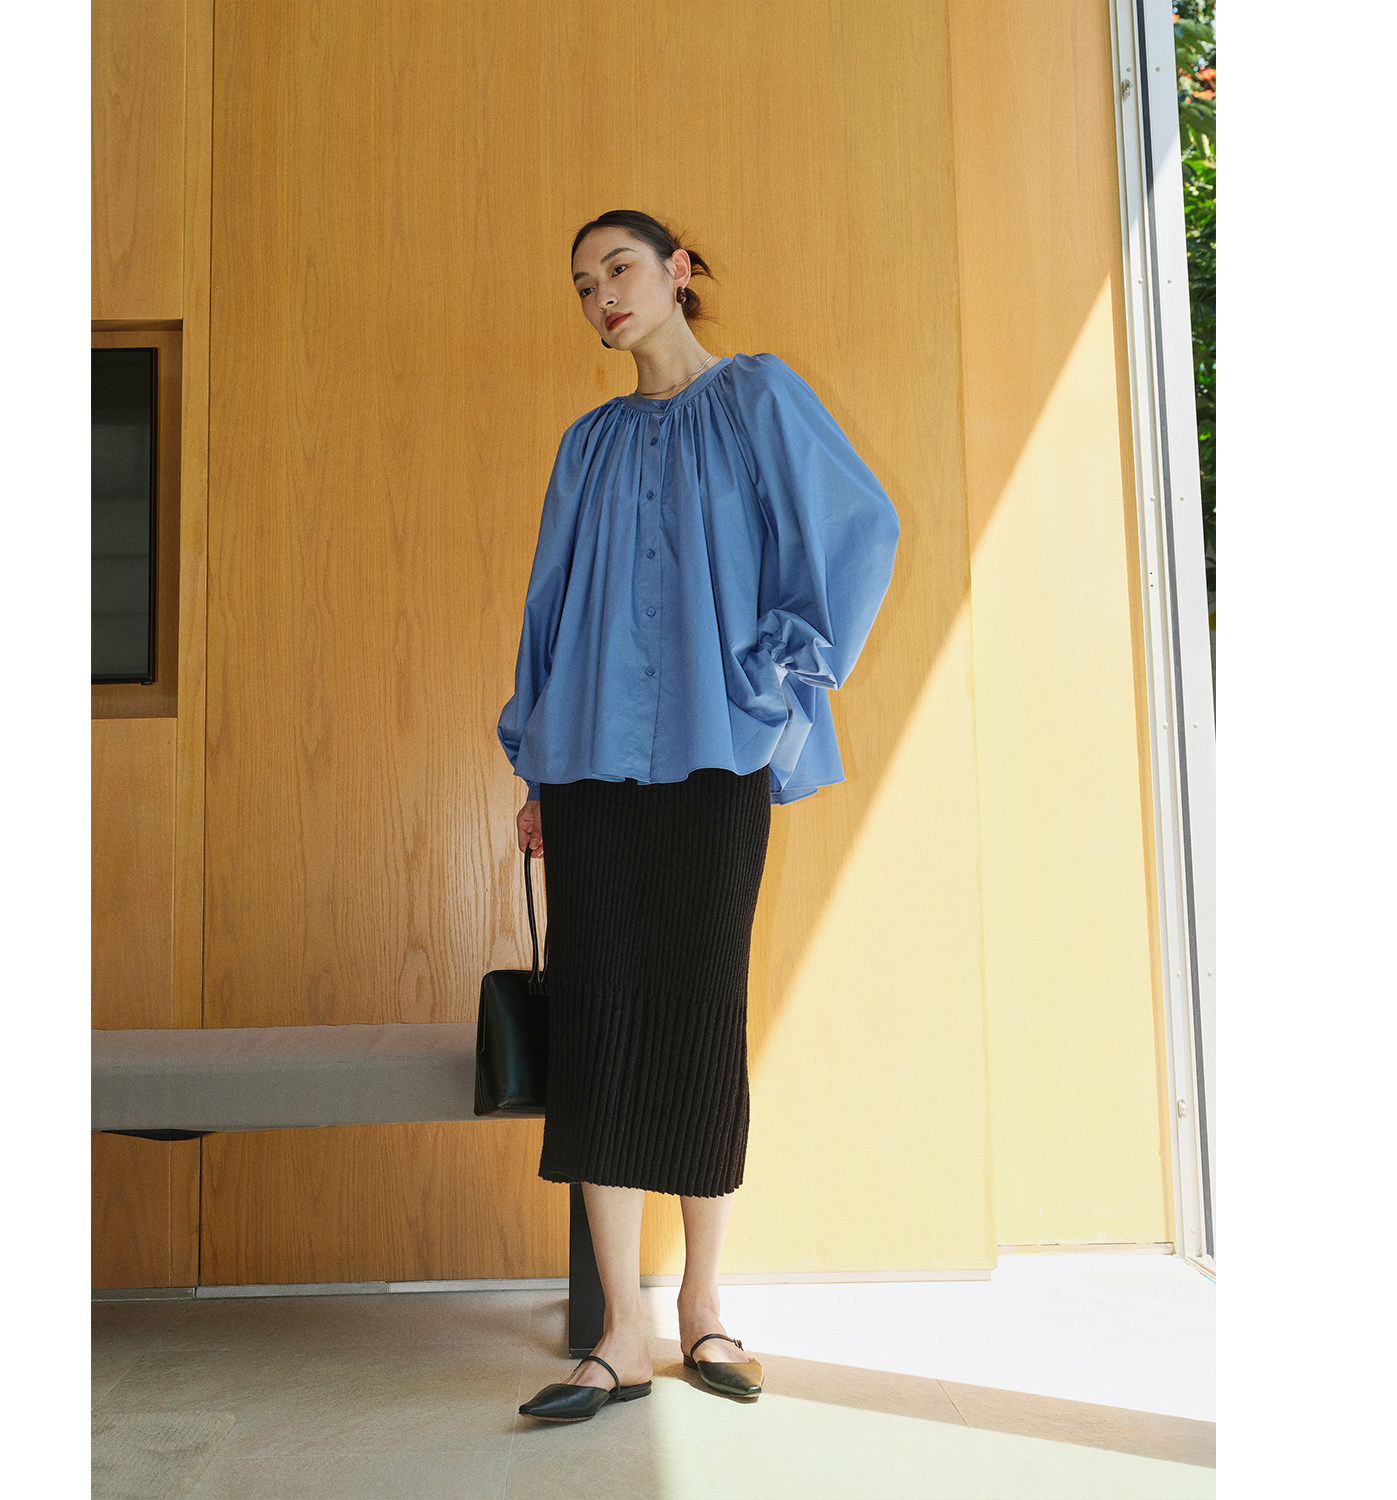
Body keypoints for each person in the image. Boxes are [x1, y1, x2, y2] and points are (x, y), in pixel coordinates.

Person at [497, 210, 900, 1423]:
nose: (602, 297)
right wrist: (537, 770)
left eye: (618, 269)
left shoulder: (760, 397)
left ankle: (704, 1307)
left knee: (700, 1015)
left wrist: (779, 675)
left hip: (718, 760)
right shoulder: (587, 445)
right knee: (600, 1023)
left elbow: (859, 529)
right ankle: (620, 1331)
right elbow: (551, 609)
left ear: (677, 272)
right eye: (583, 285)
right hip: (589, 768)